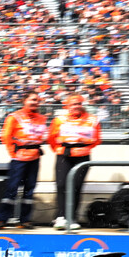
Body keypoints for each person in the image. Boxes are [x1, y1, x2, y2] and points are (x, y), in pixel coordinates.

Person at [0, 92, 47, 229]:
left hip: (34, 158)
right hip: (19, 159)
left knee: (29, 190)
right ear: (25, 101)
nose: (35, 102)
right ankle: (2, 219)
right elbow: (6, 136)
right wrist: (14, 153)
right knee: (12, 189)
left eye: (37, 100)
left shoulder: (42, 118)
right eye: (32, 99)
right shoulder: (14, 117)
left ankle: (25, 220)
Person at [49, 94, 101, 230]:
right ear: (67, 106)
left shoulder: (93, 119)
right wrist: (62, 149)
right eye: (73, 104)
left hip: (82, 157)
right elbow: (51, 138)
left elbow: (96, 139)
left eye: (78, 103)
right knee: (61, 185)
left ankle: (72, 217)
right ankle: (60, 217)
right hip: (63, 156)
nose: (76, 106)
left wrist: (82, 147)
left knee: (76, 187)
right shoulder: (59, 120)